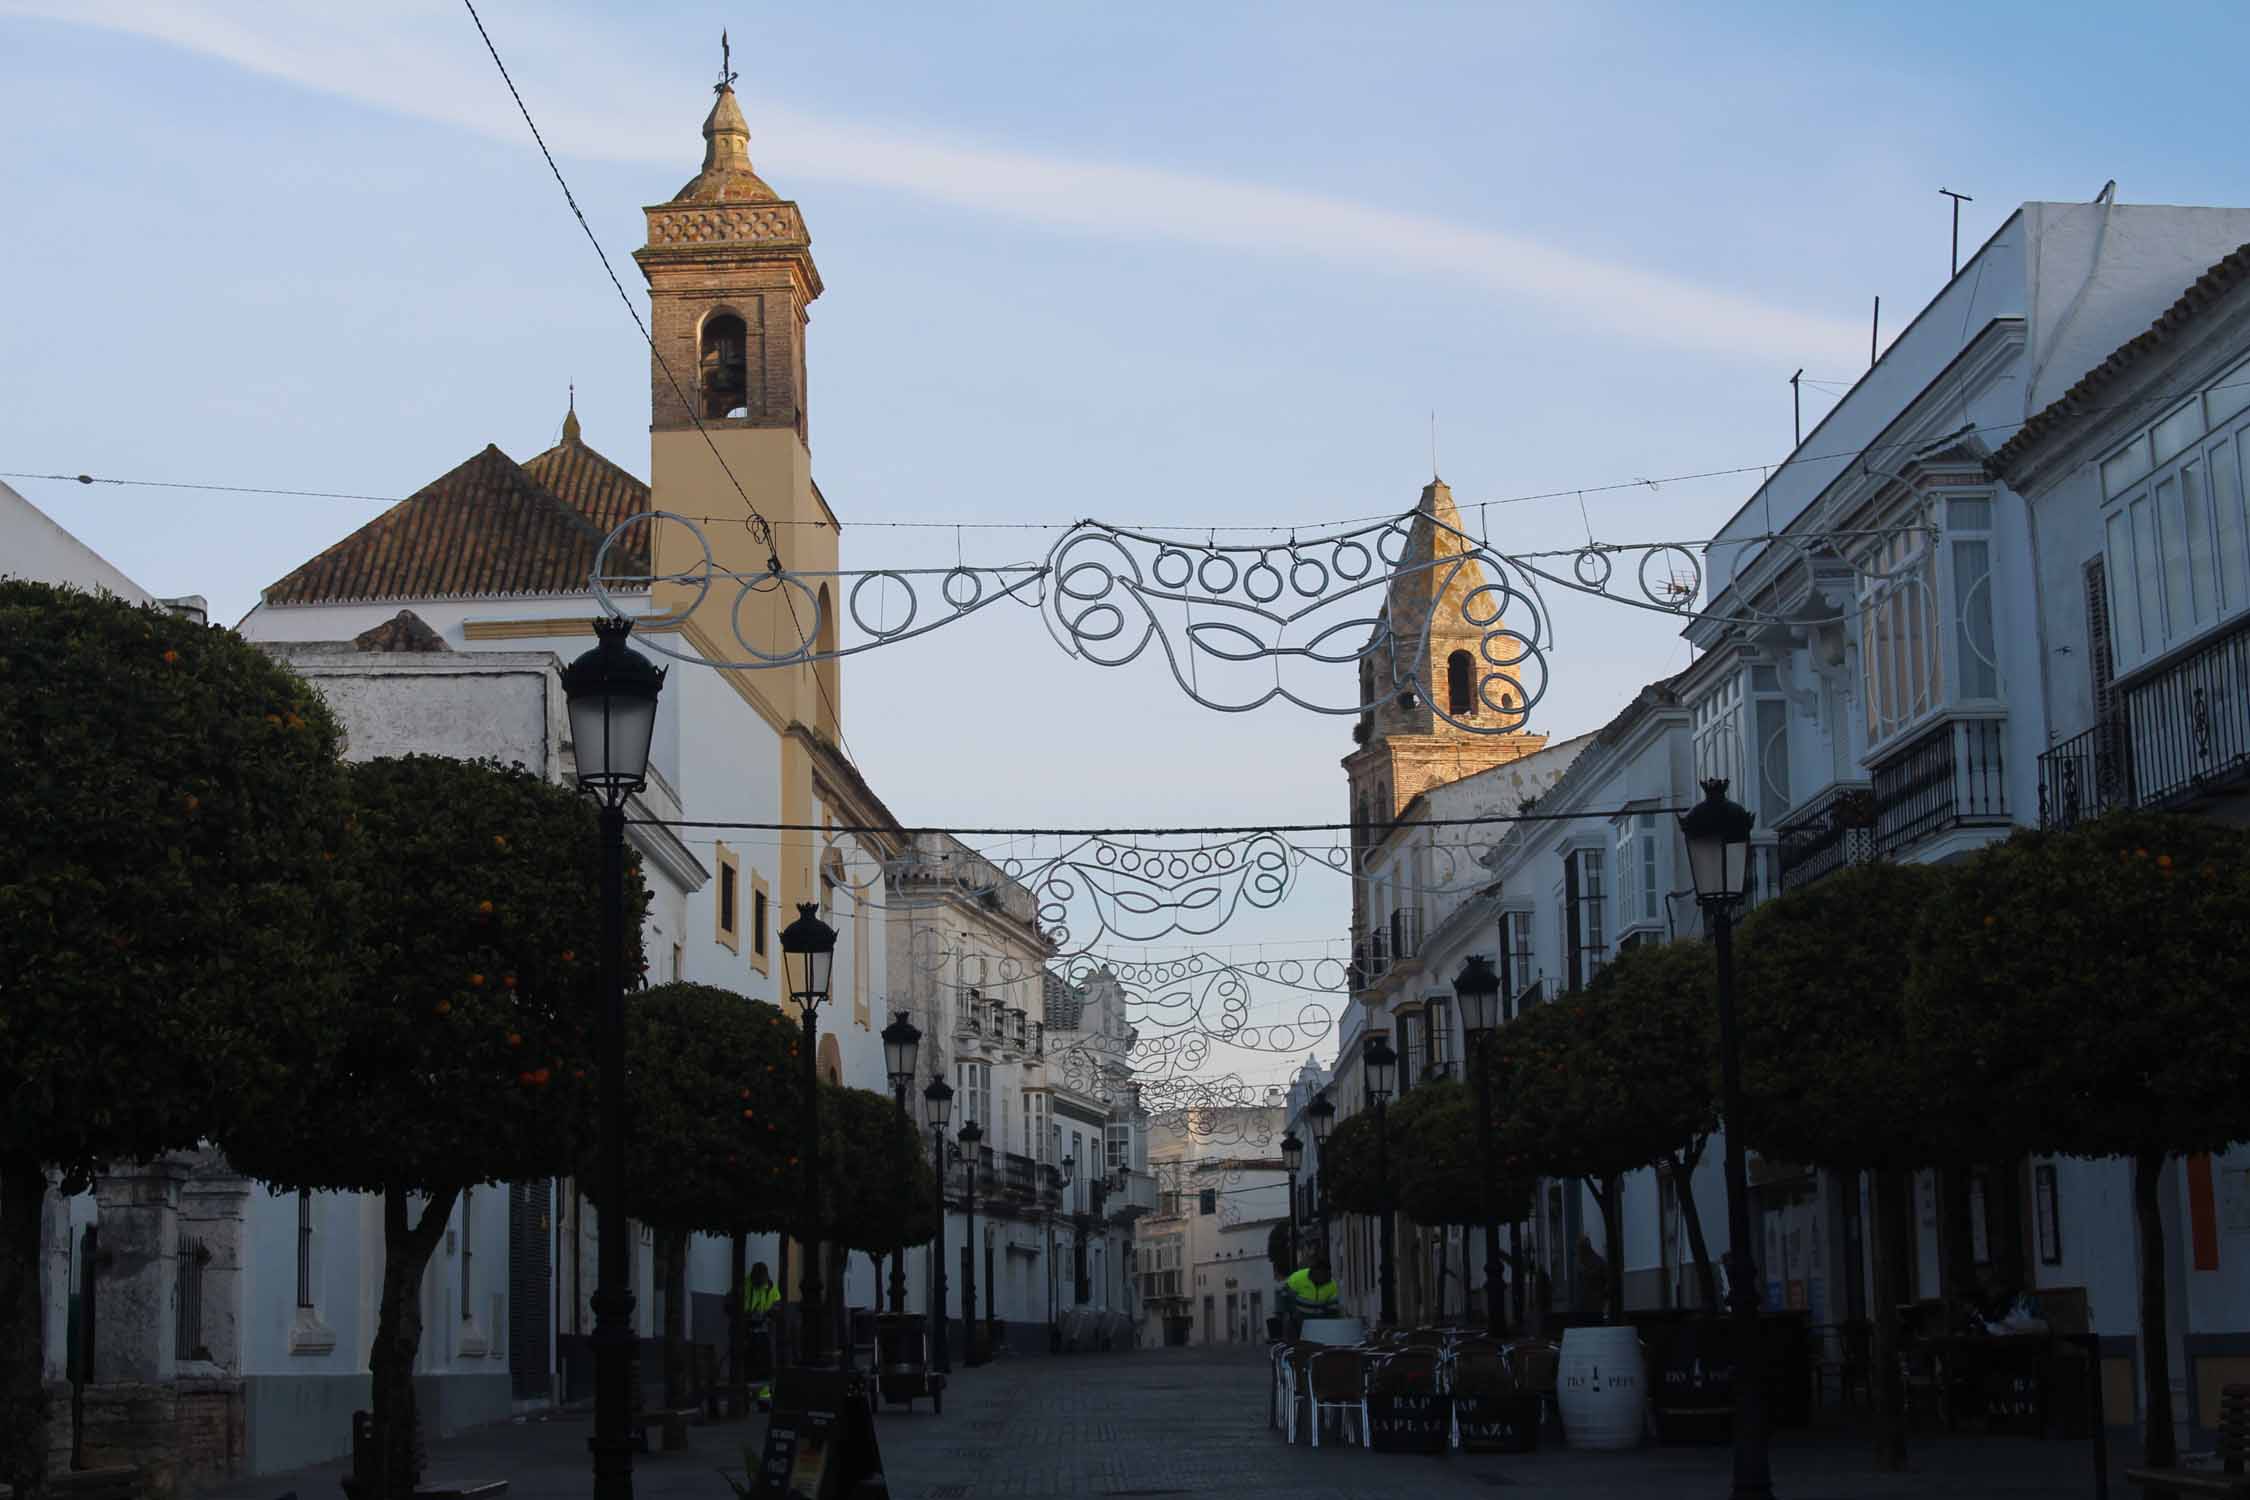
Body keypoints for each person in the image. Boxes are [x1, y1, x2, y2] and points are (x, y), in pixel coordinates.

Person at [741, 1262, 780, 1406]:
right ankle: (746, 1398)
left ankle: (763, 1399)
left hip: (763, 1332)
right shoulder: (745, 1285)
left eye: (761, 1279)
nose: (759, 1282)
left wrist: (770, 1314)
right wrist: (748, 1316)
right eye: (757, 1279)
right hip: (747, 1331)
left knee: (764, 1367)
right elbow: (732, 1305)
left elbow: (777, 1303)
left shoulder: (770, 1287)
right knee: (749, 1366)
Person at [1277, 1252, 1341, 1337]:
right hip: (1298, 1317)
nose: (1321, 1278)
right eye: (1318, 1274)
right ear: (1312, 1271)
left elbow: (1333, 1310)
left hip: (1319, 1320)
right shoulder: (1298, 1278)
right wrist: (1288, 1314)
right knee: (1292, 1333)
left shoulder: (1332, 1285)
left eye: (1324, 1275)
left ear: (1328, 1273)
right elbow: (1283, 1297)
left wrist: (1332, 1326)